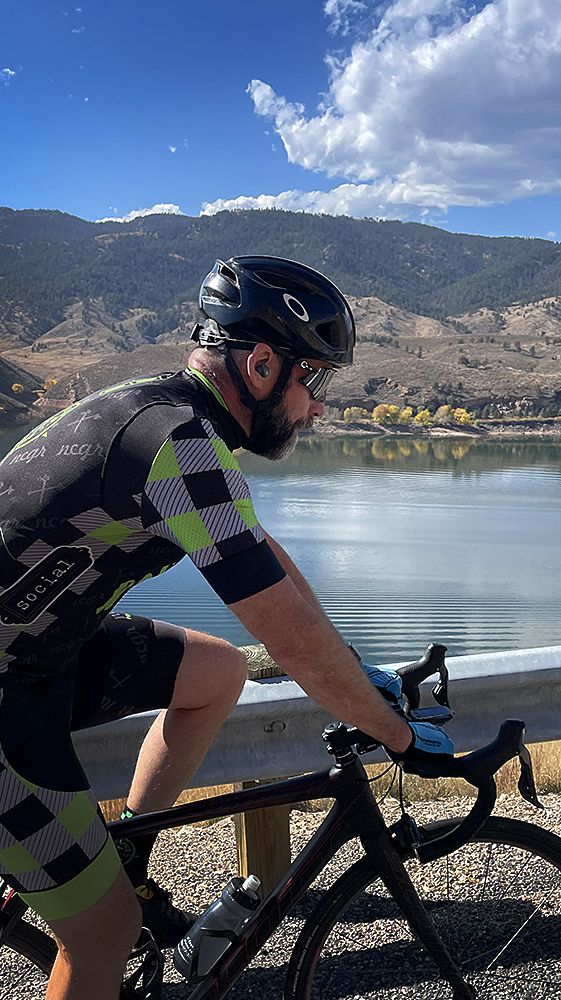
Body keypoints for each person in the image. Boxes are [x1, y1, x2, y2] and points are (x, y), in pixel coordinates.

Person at [0, 256, 453, 1000]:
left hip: (45, 648)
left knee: (216, 673)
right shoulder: (179, 447)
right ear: (265, 364)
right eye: (316, 381)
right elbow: (291, 640)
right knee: (103, 934)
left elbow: (267, 566)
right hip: (7, 687)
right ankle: (115, 910)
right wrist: (399, 737)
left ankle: (132, 856)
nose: (318, 408)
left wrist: (358, 670)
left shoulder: (168, 414)